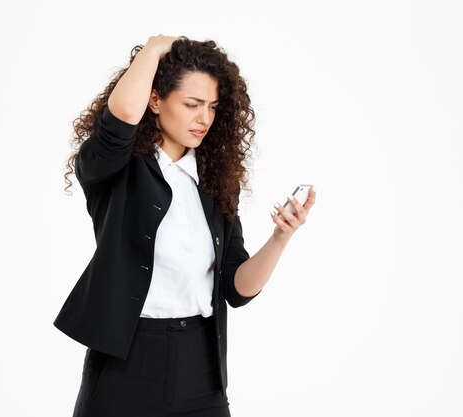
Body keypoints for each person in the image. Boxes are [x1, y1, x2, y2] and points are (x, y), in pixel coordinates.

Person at [54, 34, 316, 417]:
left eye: (212, 106)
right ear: (156, 100)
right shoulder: (115, 167)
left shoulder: (216, 181)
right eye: (192, 104)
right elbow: (123, 114)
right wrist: (155, 47)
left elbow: (237, 288)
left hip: (201, 369)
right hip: (125, 364)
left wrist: (280, 238)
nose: (204, 118)